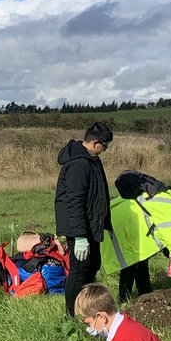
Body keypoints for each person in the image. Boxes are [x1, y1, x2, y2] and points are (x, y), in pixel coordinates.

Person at [102, 172, 171, 299]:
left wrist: (168, 250)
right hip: (127, 227)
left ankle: (144, 294)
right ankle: (125, 299)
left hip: (131, 226)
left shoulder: (170, 198)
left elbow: (162, 229)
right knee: (130, 263)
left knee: (140, 262)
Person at [54, 121, 114, 316]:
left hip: (92, 225)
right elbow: (74, 201)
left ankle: (86, 307)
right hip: (80, 227)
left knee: (92, 266)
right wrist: (79, 236)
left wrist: (105, 222)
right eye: (105, 146)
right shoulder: (78, 163)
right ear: (95, 142)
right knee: (79, 270)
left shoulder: (92, 159)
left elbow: (98, 193)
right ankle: (72, 314)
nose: (105, 149)